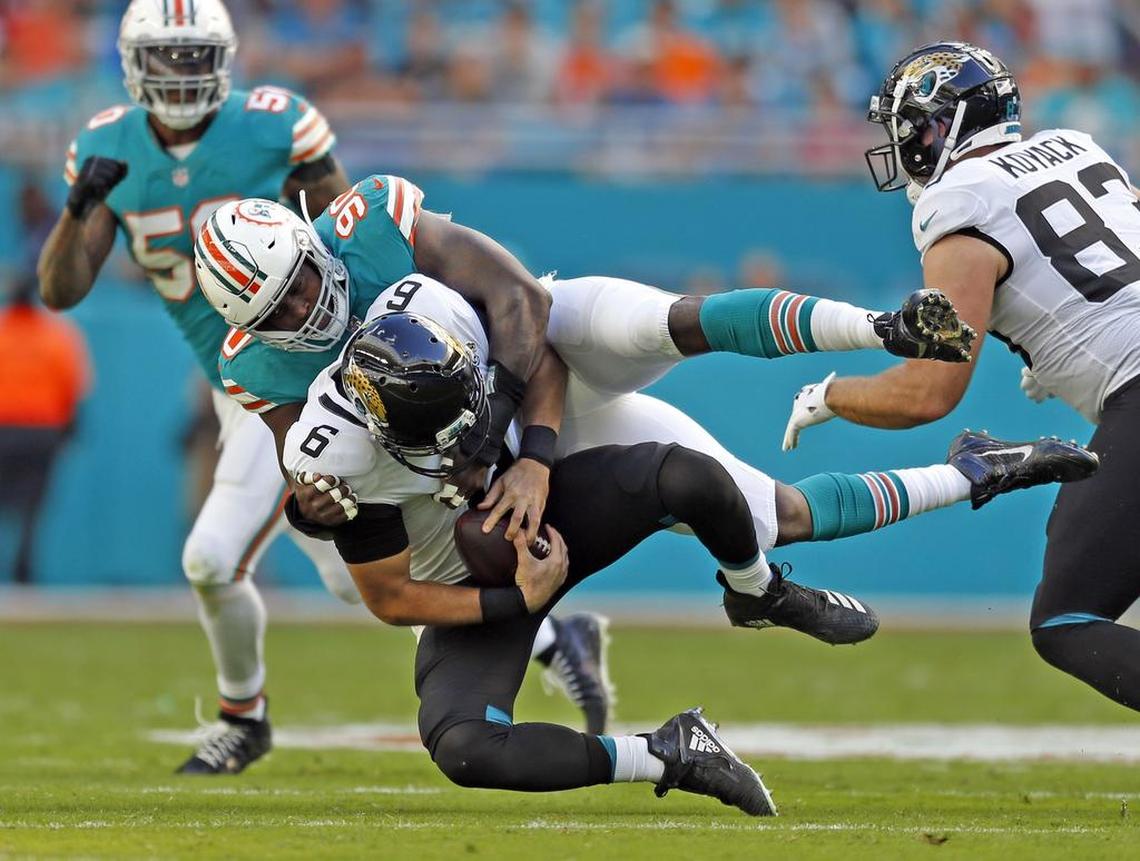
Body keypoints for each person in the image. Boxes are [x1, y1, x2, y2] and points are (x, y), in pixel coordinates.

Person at [31, 0, 602, 776]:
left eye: (196, 56)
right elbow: (61, 289)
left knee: (236, 556)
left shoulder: (271, 124)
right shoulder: (107, 149)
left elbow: (346, 241)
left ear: (223, 60)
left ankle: (245, 715)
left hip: (324, 378)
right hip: (249, 388)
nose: (181, 74)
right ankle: (549, 637)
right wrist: (79, 208)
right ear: (135, 66)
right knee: (344, 572)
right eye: (166, 58)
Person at [272, 285, 1092, 817]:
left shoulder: (456, 309)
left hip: (553, 450)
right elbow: (388, 597)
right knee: (464, 743)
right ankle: (666, 751)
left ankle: (773, 578)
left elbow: (538, 336)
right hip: (481, 569)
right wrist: (515, 600)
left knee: (726, 487)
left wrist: (532, 458)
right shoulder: (332, 456)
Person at [781, 41, 1140, 711]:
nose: (908, 143)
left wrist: (833, 394)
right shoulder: (1075, 146)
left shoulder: (959, 204)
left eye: (913, 126)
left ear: (946, 123)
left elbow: (929, 391)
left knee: (1068, 619)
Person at [0, 277, 91, 584]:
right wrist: (71, 429)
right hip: (41, 432)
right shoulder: (56, 335)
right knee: (32, 507)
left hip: (4, 429)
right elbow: (74, 385)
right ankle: (22, 570)